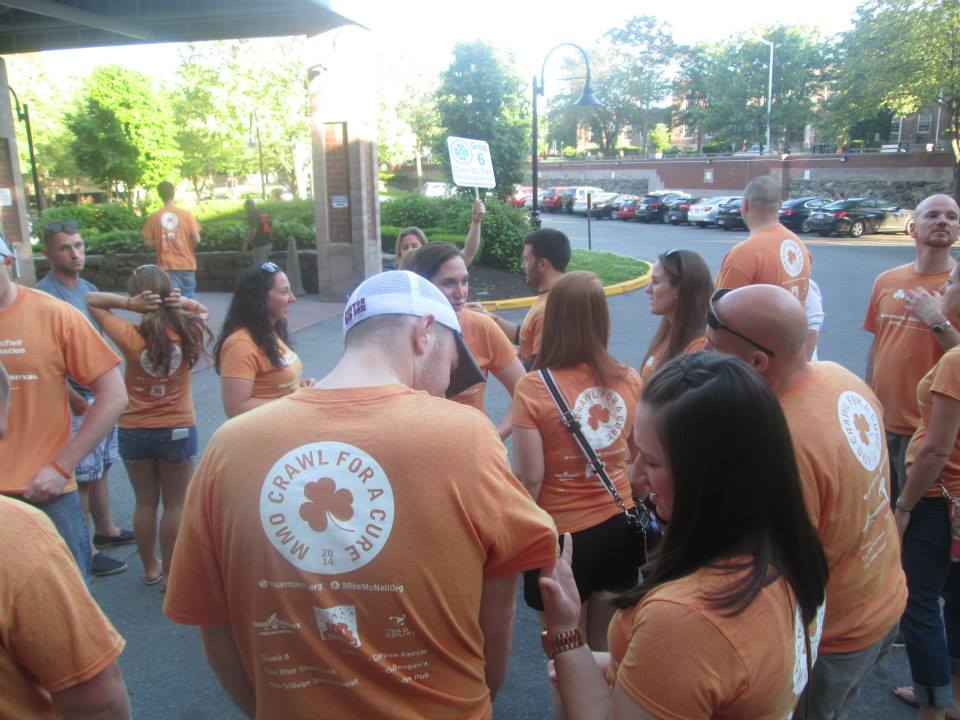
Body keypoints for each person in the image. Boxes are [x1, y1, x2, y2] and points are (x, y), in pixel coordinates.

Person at [164, 270, 558, 718]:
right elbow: (497, 615)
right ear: (424, 333)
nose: (446, 384)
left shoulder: (230, 446)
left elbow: (213, 625)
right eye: (451, 363)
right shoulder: (467, 436)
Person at [539, 352, 829, 719]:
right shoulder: (784, 548)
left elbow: (686, 650)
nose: (635, 476)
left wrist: (566, 632)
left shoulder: (685, 617)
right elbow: (706, 671)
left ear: (710, 478)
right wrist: (626, 663)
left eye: (652, 461)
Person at [706, 284, 906, 719]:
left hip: (832, 638)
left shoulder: (779, 444)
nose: (702, 356)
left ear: (757, 363)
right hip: (881, 601)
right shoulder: (840, 377)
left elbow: (765, 578)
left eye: (712, 348)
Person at [512, 271, 644, 657]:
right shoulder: (629, 379)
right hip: (619, 526)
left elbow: (530, 477)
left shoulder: (535, 387)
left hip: (560, 540)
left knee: (565, 654)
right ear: (602, 319)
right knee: (604, 650)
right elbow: (638, 463)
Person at [0, 233, 127, 578]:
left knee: (70, 610)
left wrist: (61, 468)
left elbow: (113, 394)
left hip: (45, 492)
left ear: (7, 262)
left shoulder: (54, 314)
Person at [86, 265, 211, 586]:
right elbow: (203, 310)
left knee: (145, 502)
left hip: (134, 429)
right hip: (178, 428)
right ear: (170, 291)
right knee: (175, 503)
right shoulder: (190, 332)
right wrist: (178, 304)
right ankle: (172, 571)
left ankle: (151, 568)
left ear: (139, 295)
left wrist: (129, 305)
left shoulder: (129, 336)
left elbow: (92, 301)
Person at [37, 219, 133, 577]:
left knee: (103, 467)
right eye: (65, 248)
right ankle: (86, 549)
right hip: (78, 401)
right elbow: (43, 358)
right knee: (80, 476)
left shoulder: (87, 288)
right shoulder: (46, 295)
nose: (75, 253)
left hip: (99, 396)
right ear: (48, 252)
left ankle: (106, 530)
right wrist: (76, 401)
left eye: (78, 246)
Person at [890, 257, 960, 719]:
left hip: (939, 498)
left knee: (917, 601)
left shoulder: (955, 361)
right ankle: (945, 690)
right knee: (953, 597)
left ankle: (933, 706)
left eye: (952, 283)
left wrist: (904, 505)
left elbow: (935, 450)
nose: (944, 286)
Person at [864, 194, 960, 506]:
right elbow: (878, 344)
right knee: (879, 513)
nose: (943, 221)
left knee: (916, 520)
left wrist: (937, 320)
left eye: (951, 216)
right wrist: (867, 401)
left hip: (929, 434)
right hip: (881, 425)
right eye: (933, 215)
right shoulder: (886, 281)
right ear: (912, 227)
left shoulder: (956, 288)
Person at [404, 242, 525, 438]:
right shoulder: (400, 333)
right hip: (419, 453)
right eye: (449, 283)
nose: (460, 293)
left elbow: (524, 389)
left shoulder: (482, 326)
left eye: (465, 281)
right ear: (423, 286)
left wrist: (497, 435)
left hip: (476, 453)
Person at [213, 262, 309, 418]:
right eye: (284, 292)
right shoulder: (240, 345)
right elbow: (236, 408)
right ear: (260, 298)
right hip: (263, 434)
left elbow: (275, 387)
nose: (292, 298)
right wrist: (294, 401)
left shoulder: (271, 332)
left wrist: (300, 388)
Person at [716, 175, 812, 304]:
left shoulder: (743, 254)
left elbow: (722, 316)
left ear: (745, 205)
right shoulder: (799, 246)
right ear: (780, 205)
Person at [488, 228, 571, 369]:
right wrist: (489, 319)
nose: (523, 265)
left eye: (526, 259)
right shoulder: (552, 297)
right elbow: (526, 336)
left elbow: (538, 368)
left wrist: (499, 353)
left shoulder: (550, 309)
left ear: (542, 264)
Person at [639, 248, 713, 380]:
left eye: (655, 282)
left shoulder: (699, 348)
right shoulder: (669, 330)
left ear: (680, 289)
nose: (647, 290)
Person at [141, 180, 202, 298]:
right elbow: (197, 239)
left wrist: (160, 243)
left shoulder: (155, 216)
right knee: (189, 300)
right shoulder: (186, 215)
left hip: (166, 264)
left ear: (160, 195)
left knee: (172, 301)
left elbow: (147, 242)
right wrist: (187, 246)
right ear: (174, 193)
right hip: (187, 263)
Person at [393, 197, 485, 265]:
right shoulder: (392, 279)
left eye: (415, 246)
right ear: (399, 252)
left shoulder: (434, 270)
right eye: (405, 247)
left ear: (424, 248)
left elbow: (468, 252)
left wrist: (476, 222)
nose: (410, 250)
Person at [242, 197, 274, 266]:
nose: (246, 210)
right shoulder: (263, 212)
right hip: (268, 243)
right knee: (267, 268)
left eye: (246, 208)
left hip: (260, 245)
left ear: (250, 206)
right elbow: (270, 226)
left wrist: (246, 242)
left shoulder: (253, 215)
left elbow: (254, 230)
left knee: (260, 268)